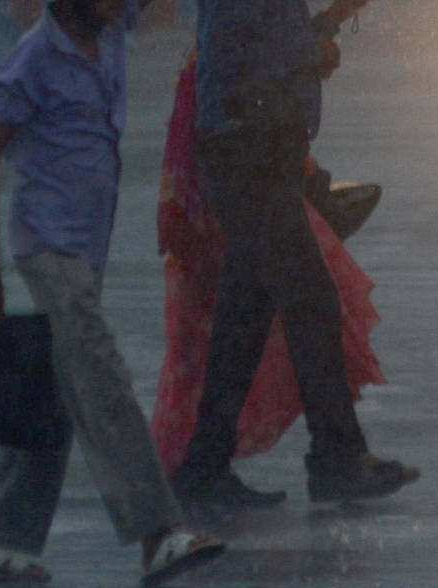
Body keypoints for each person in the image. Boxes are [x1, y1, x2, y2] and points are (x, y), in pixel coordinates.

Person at [170, 0, 420, 510]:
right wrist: (313, 54)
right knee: (311, 302)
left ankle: (204, 464)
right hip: (247, 162)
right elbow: (225, 72)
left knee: (244, 318)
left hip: (268, 159)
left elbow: (280, 50)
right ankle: (336, 458)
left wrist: (332, 18)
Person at [0, 0, 224, 586]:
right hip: (48, 247)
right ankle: (157, 531)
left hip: (87, 250)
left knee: (52, 397)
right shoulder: (33, 61)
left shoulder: (107, 32)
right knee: (102, 380)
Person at [149, 50, 386, 477]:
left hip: (247, 187)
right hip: (248, 187)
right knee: (304, 309)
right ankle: (335, 457)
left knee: (238, 329)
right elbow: (248, 85)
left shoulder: (234, 15)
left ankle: (206, 460)